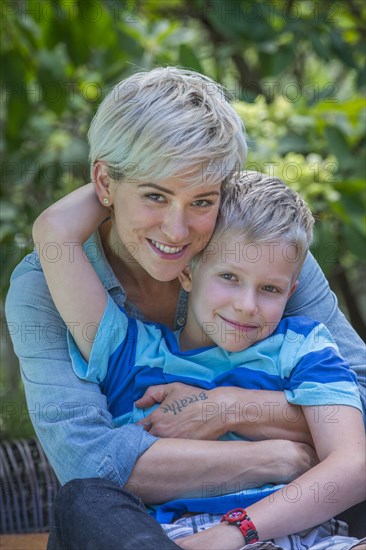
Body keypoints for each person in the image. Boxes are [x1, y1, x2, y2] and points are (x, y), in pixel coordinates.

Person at [5, 67, 365, 548]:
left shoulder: (255, 251)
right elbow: (93, 463)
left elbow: (357, 419)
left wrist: (228, 408)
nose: (177, 233)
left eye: (201, 199)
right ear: (104, 183)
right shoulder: (55, 295)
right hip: (161, 528)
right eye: (155, 195)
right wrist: (284, 456)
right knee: (87, 500)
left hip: (296, 524)